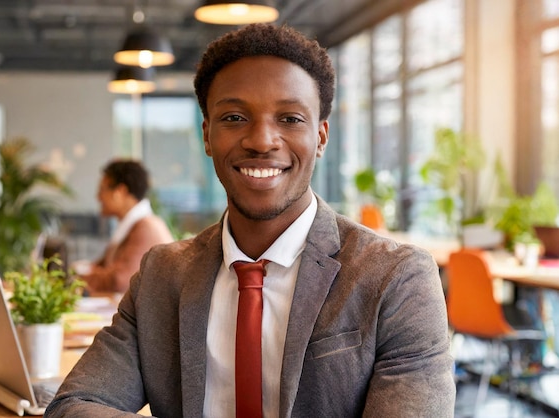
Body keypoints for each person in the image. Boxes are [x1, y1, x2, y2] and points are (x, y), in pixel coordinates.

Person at [45, 23, 455, 417]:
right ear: (207, 135)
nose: (261, 140)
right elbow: (75, 404)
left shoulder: (396, 279)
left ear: (322, 136)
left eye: (290, 119)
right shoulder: (160, 277)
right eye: (234, 118)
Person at [74, 159, 173, 294]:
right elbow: (103, 266)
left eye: (102, 189)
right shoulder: (132, 226)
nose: (98, 197)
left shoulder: (146, 227)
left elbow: (118, 280)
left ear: (120, 191)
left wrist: (78, 275)